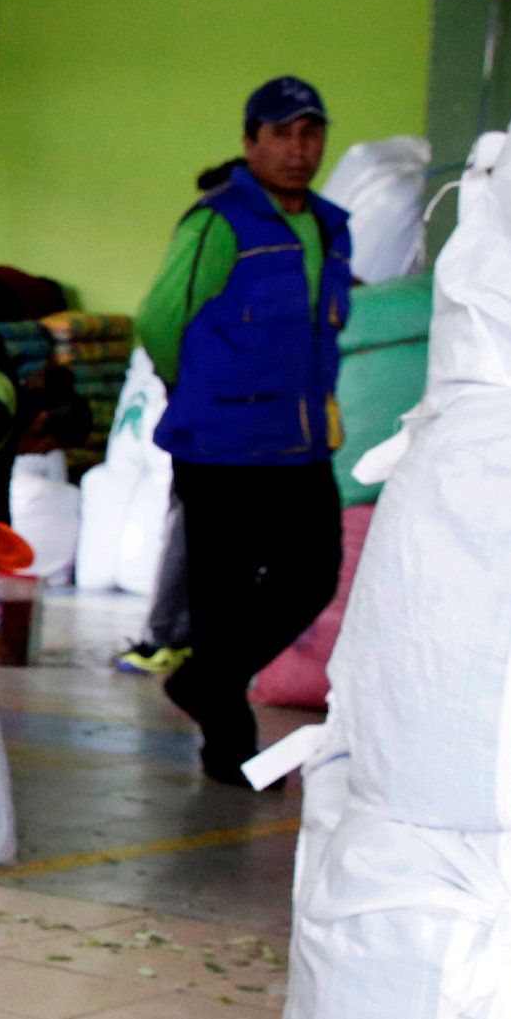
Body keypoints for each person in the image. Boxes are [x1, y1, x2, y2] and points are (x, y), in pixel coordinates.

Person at [138, 74, 352, 786]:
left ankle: (203, 680)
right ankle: (228, 750)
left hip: (299, 444)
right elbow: (160, 322)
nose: (299, 150)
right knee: (223, 600)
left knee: (312, 577)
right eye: (283, 135)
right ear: (251, 142)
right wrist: (196, 388)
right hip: (222, 446)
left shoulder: (327, 224)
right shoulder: (218, 222)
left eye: (310, 134)